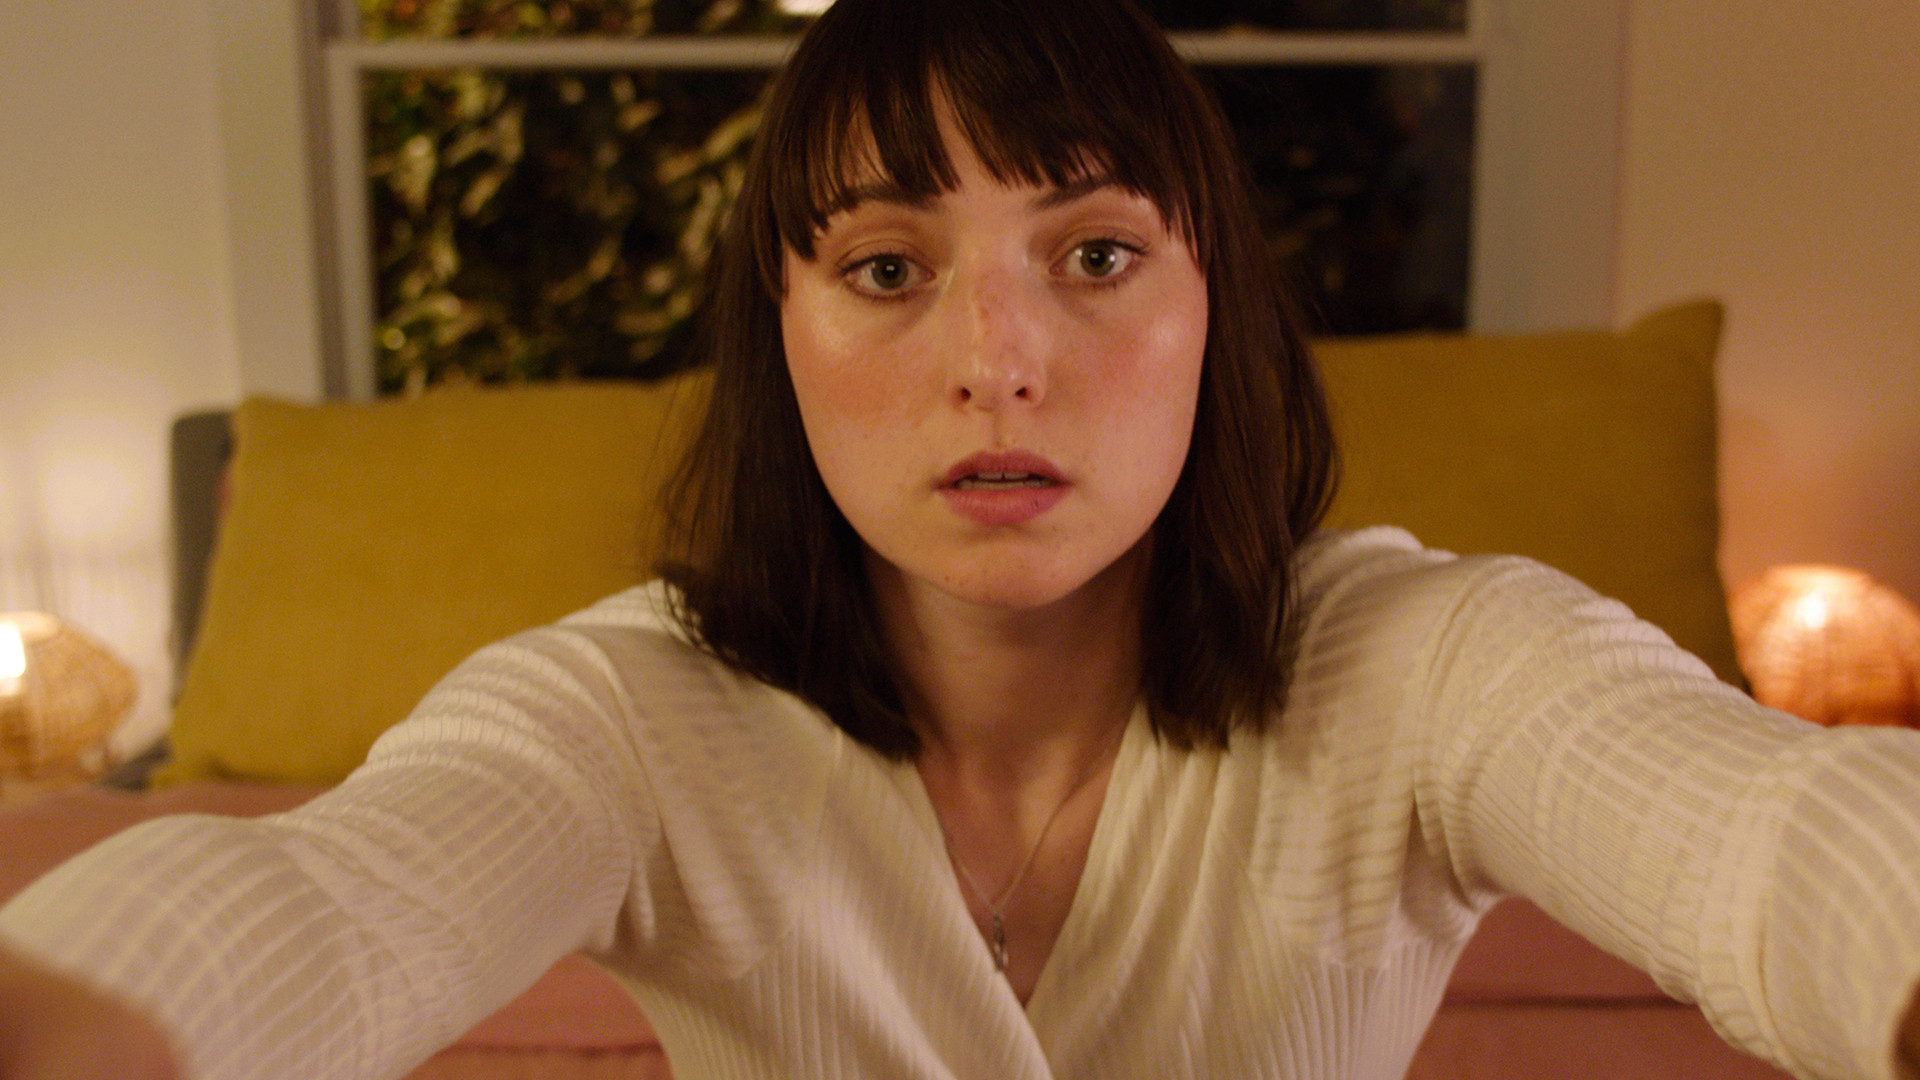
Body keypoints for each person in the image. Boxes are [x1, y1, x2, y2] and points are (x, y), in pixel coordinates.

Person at [4, 0, 1920, 1077]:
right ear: (781, 340)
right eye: (885, 266)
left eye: (1094, 255)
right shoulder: (626, 716)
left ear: (1216, 315)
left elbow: (1767, 833)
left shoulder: (1425, 666)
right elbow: (330, 904)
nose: (996, 360)